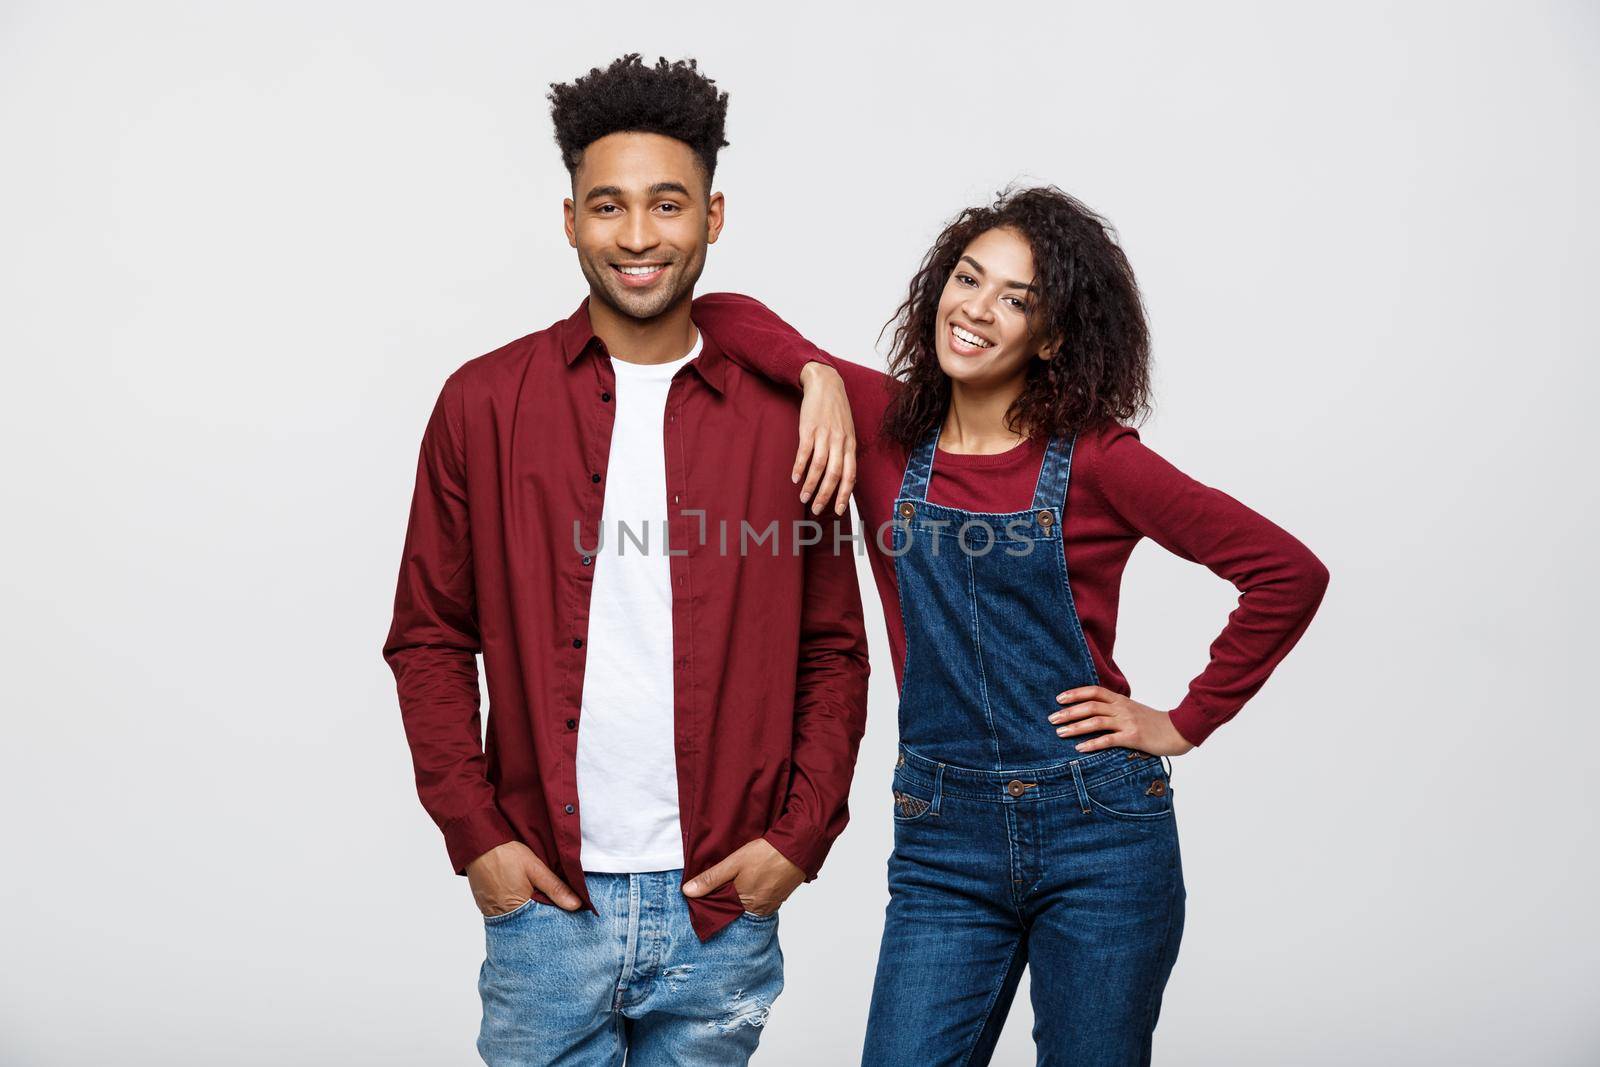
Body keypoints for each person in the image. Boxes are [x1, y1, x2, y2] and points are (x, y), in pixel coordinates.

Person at [692, 185, 1331, 1065]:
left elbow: (1287, 572)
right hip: (942, 835)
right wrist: (819, 375)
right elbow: (719, 312)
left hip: (1099, 830)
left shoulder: (1104, 461)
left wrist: (1183, 721)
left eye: (1016, 299)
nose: (978, 310)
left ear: (1054, 335)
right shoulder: (885, 429)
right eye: (968, 278)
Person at [381, 54, 870, 1066]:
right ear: (569, 219)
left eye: (667, 204)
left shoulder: (788, 419)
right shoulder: (482, 403)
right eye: (607, 206)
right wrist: (478, 835)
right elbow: (429, 635)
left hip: (721, 908)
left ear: (713, 217)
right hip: (547, 903)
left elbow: (832, 648)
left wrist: (798, 837)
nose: (639, 237)